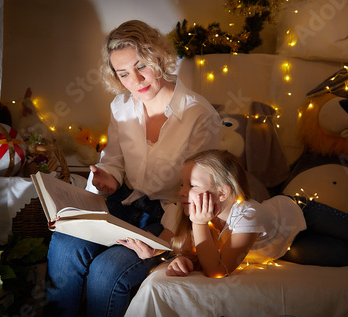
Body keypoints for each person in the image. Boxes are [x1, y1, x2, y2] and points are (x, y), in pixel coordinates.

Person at [45, 20, 220, 316]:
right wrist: (107, 179)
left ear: (159, 57)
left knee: (105, 272)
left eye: (141, 66)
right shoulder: (121, 106)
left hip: (169, 213)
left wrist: (165, 239)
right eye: (123, 73)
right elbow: (114, 161)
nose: (135, 79)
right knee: (64, 244)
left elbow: (195, 190)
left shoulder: (199, 114)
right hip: (125, 201)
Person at [167, 149, 348, 278]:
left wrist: (199, 223)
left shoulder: (247, 213)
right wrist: (182, 260)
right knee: (344, 256)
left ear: (223, 192)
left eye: (192, 185)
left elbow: (218, 271)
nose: (181, 192)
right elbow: (200, 254)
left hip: (298, 213)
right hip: (279, 244)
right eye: (181, 184)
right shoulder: (196, 217)